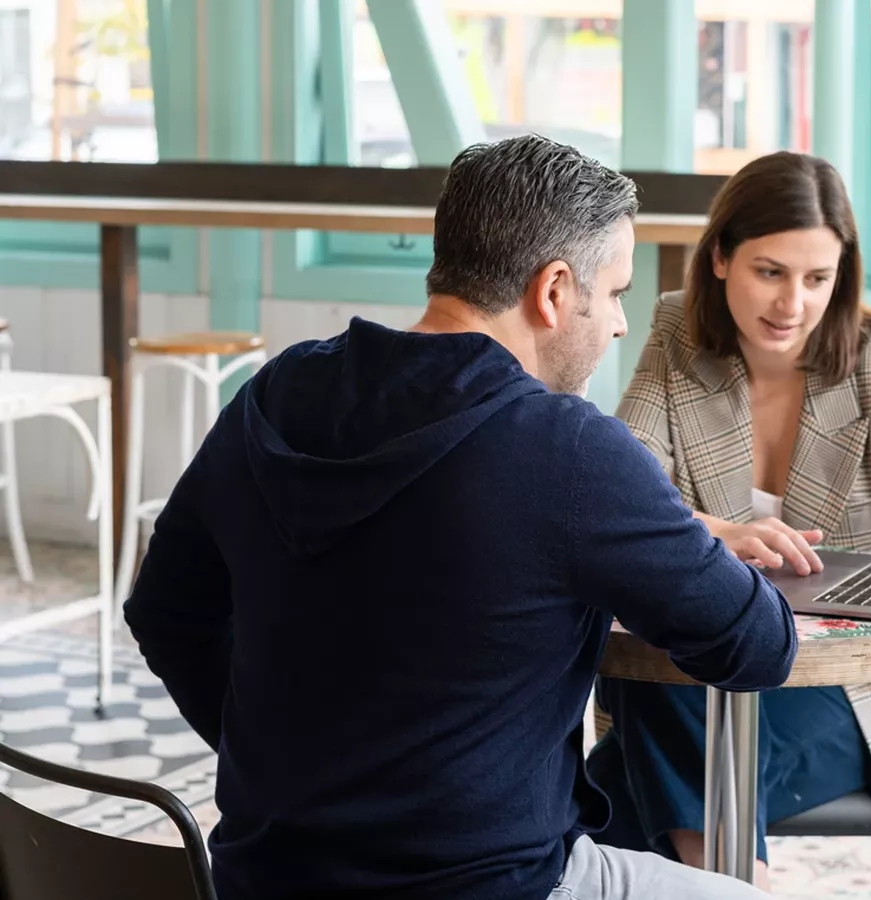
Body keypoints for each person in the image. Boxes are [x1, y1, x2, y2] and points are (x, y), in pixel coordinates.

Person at [122, 135, 798, 900]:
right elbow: (758, 645)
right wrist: (681, 530)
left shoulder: (275, 394)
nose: (617, 324)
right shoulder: (568, 450)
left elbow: (164, 610)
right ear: (552, 292)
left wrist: (288, 771)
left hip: (266, 878)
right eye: (613, 293)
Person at [586, 151, 871, 896]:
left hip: (862, 692)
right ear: (720, 258)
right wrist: (713, 530)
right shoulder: (678, 333)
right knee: (664, 699)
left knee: (604, 786)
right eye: (771, 272)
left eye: (819, 279)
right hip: (714, 670)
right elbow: (624, 497)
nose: (793, 304)